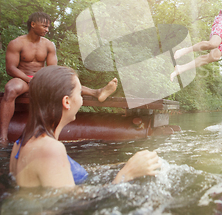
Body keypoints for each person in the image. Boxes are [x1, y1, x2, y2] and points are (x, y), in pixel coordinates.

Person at [9, 65, 160, 187]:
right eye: (80, 93)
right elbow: (72, 204)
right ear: (67, 101)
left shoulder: (20, 143)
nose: (81, 100)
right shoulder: (51, 149)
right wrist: (128, 173)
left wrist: (117, 167)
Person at [0, 12, 118, 144]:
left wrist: (42, 80)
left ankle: (97, 92)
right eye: (44, 26)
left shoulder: (49, 45)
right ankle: (2, 137)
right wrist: (28, 79)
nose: (47, 30)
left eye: (48, 27)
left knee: (65, 82)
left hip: (41, 78)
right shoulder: (17, 43)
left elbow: (52, 70)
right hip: (23, 78)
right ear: (33, 24)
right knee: (10, 88)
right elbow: (11, 68)